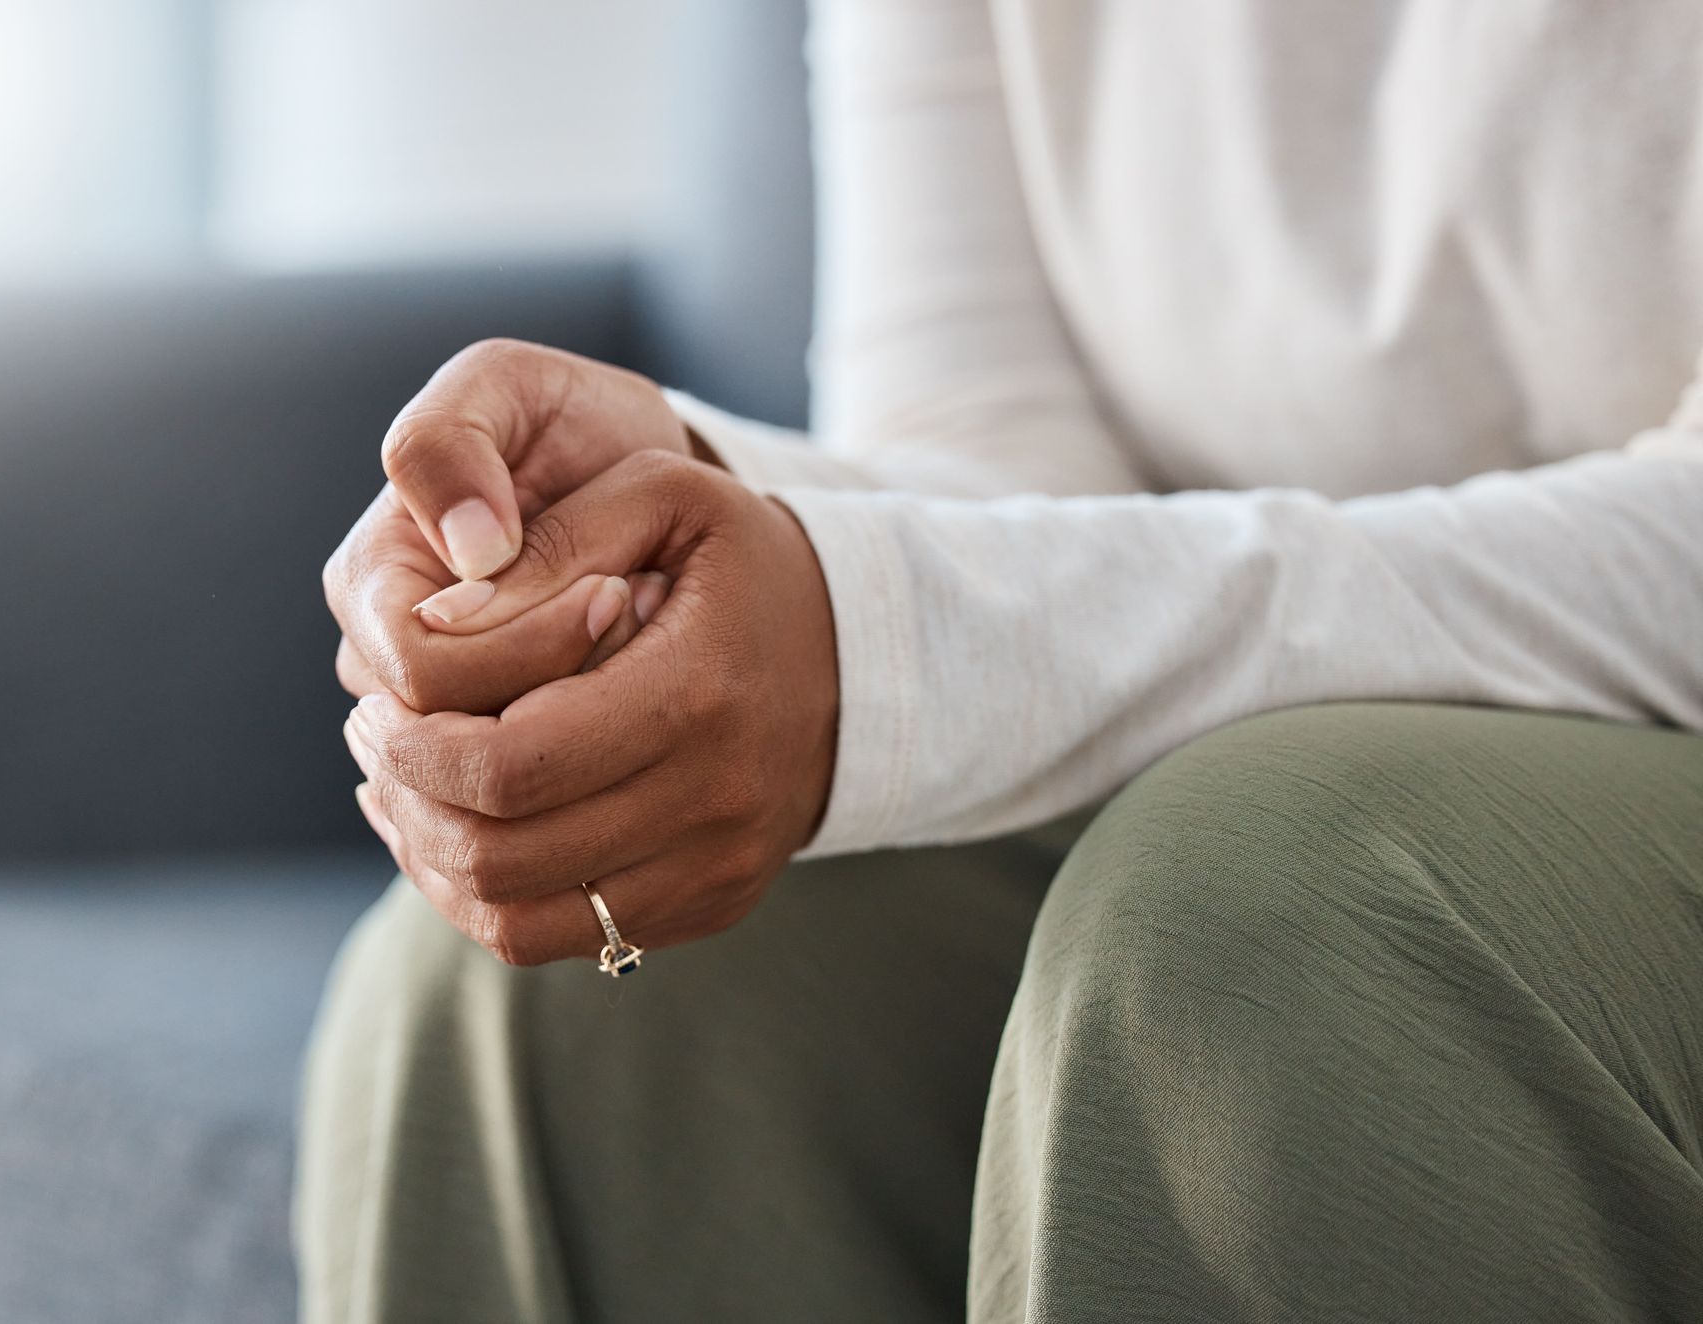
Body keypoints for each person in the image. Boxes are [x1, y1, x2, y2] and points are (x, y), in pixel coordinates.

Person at [300, 2, 1703, 1320]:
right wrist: (696, 523)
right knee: (555, 986)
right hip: (1233, 753)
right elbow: (998, 464)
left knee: (1255, 931)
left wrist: (886, 631)